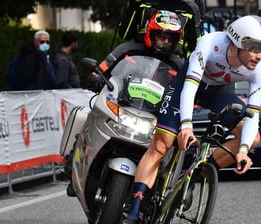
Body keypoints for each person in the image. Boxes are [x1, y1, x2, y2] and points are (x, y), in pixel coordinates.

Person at [119, 15, 261, 224]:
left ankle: (196, 172)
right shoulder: (211, 44)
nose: (259, 56)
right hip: (189, 84)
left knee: (252, 139)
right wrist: (186, 127)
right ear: (237, 42)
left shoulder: (260, 69)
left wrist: (242, 150)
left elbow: (253, 112)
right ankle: (133, 213)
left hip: (218, 92)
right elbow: (190, 89)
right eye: (254, 48)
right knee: (162, 144)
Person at [65, 10, 185, 196]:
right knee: (89, 113)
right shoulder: (127, 49)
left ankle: (168, 187)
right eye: (162, 35)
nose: (166, 41)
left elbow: (186, 90)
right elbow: (103, 68)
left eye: (171, 37)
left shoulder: (178, 64)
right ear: (150, 32)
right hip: (122, 105)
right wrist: (96, 77)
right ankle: (75, 161)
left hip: (153, 115)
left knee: (176, 142)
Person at [118, 0, 202, 58]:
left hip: (172, 63)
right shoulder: (143, 2)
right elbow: (125, 35)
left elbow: (194, 49)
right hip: (140, 58)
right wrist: (134, 5)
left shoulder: (190, 9)